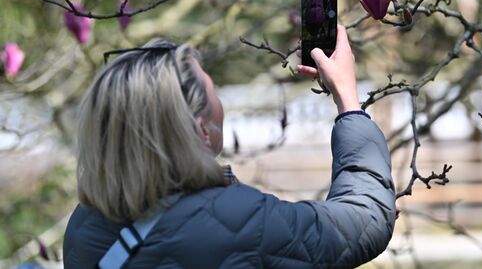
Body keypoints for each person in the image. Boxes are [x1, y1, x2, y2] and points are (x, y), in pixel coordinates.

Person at [63, 25, 396, 268]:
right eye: (214, 92)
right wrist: (348, 99)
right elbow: (365, 218)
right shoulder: (241, 220)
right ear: (201, 132)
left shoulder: (84, 228)